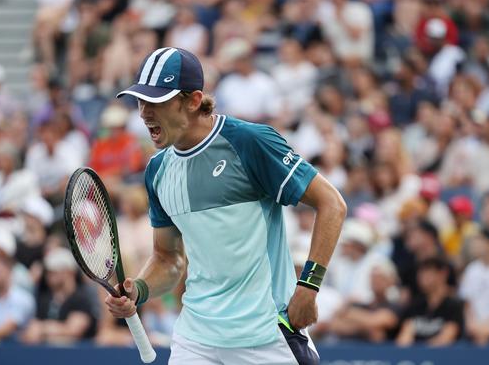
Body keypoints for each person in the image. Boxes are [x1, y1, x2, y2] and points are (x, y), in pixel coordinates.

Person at [107, 47, 346, 364]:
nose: (144, 112)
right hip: (196, 340)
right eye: (141, 101)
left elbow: (332, 203)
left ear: (193, 101)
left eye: (157, 101)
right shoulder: (157, 171)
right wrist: (139, 289)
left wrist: (309, 286)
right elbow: (168, 258)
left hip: (266, 335)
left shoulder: (249, 141)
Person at [21, 247, 97, 344]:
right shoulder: (44, 299)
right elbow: (33, 329)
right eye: (48, 271)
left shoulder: (82, 298)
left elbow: (74, 331)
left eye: (56, 270)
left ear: (70, 272)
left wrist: (43, 329)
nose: (50, 274)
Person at [396, 256, 464, 347]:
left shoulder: (454, 305)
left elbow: (447, 337)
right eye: (420, 272)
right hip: (415, 359)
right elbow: (404, 339)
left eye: (427, 272)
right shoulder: (416, 305)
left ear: (443, 274)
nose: (422, 277)